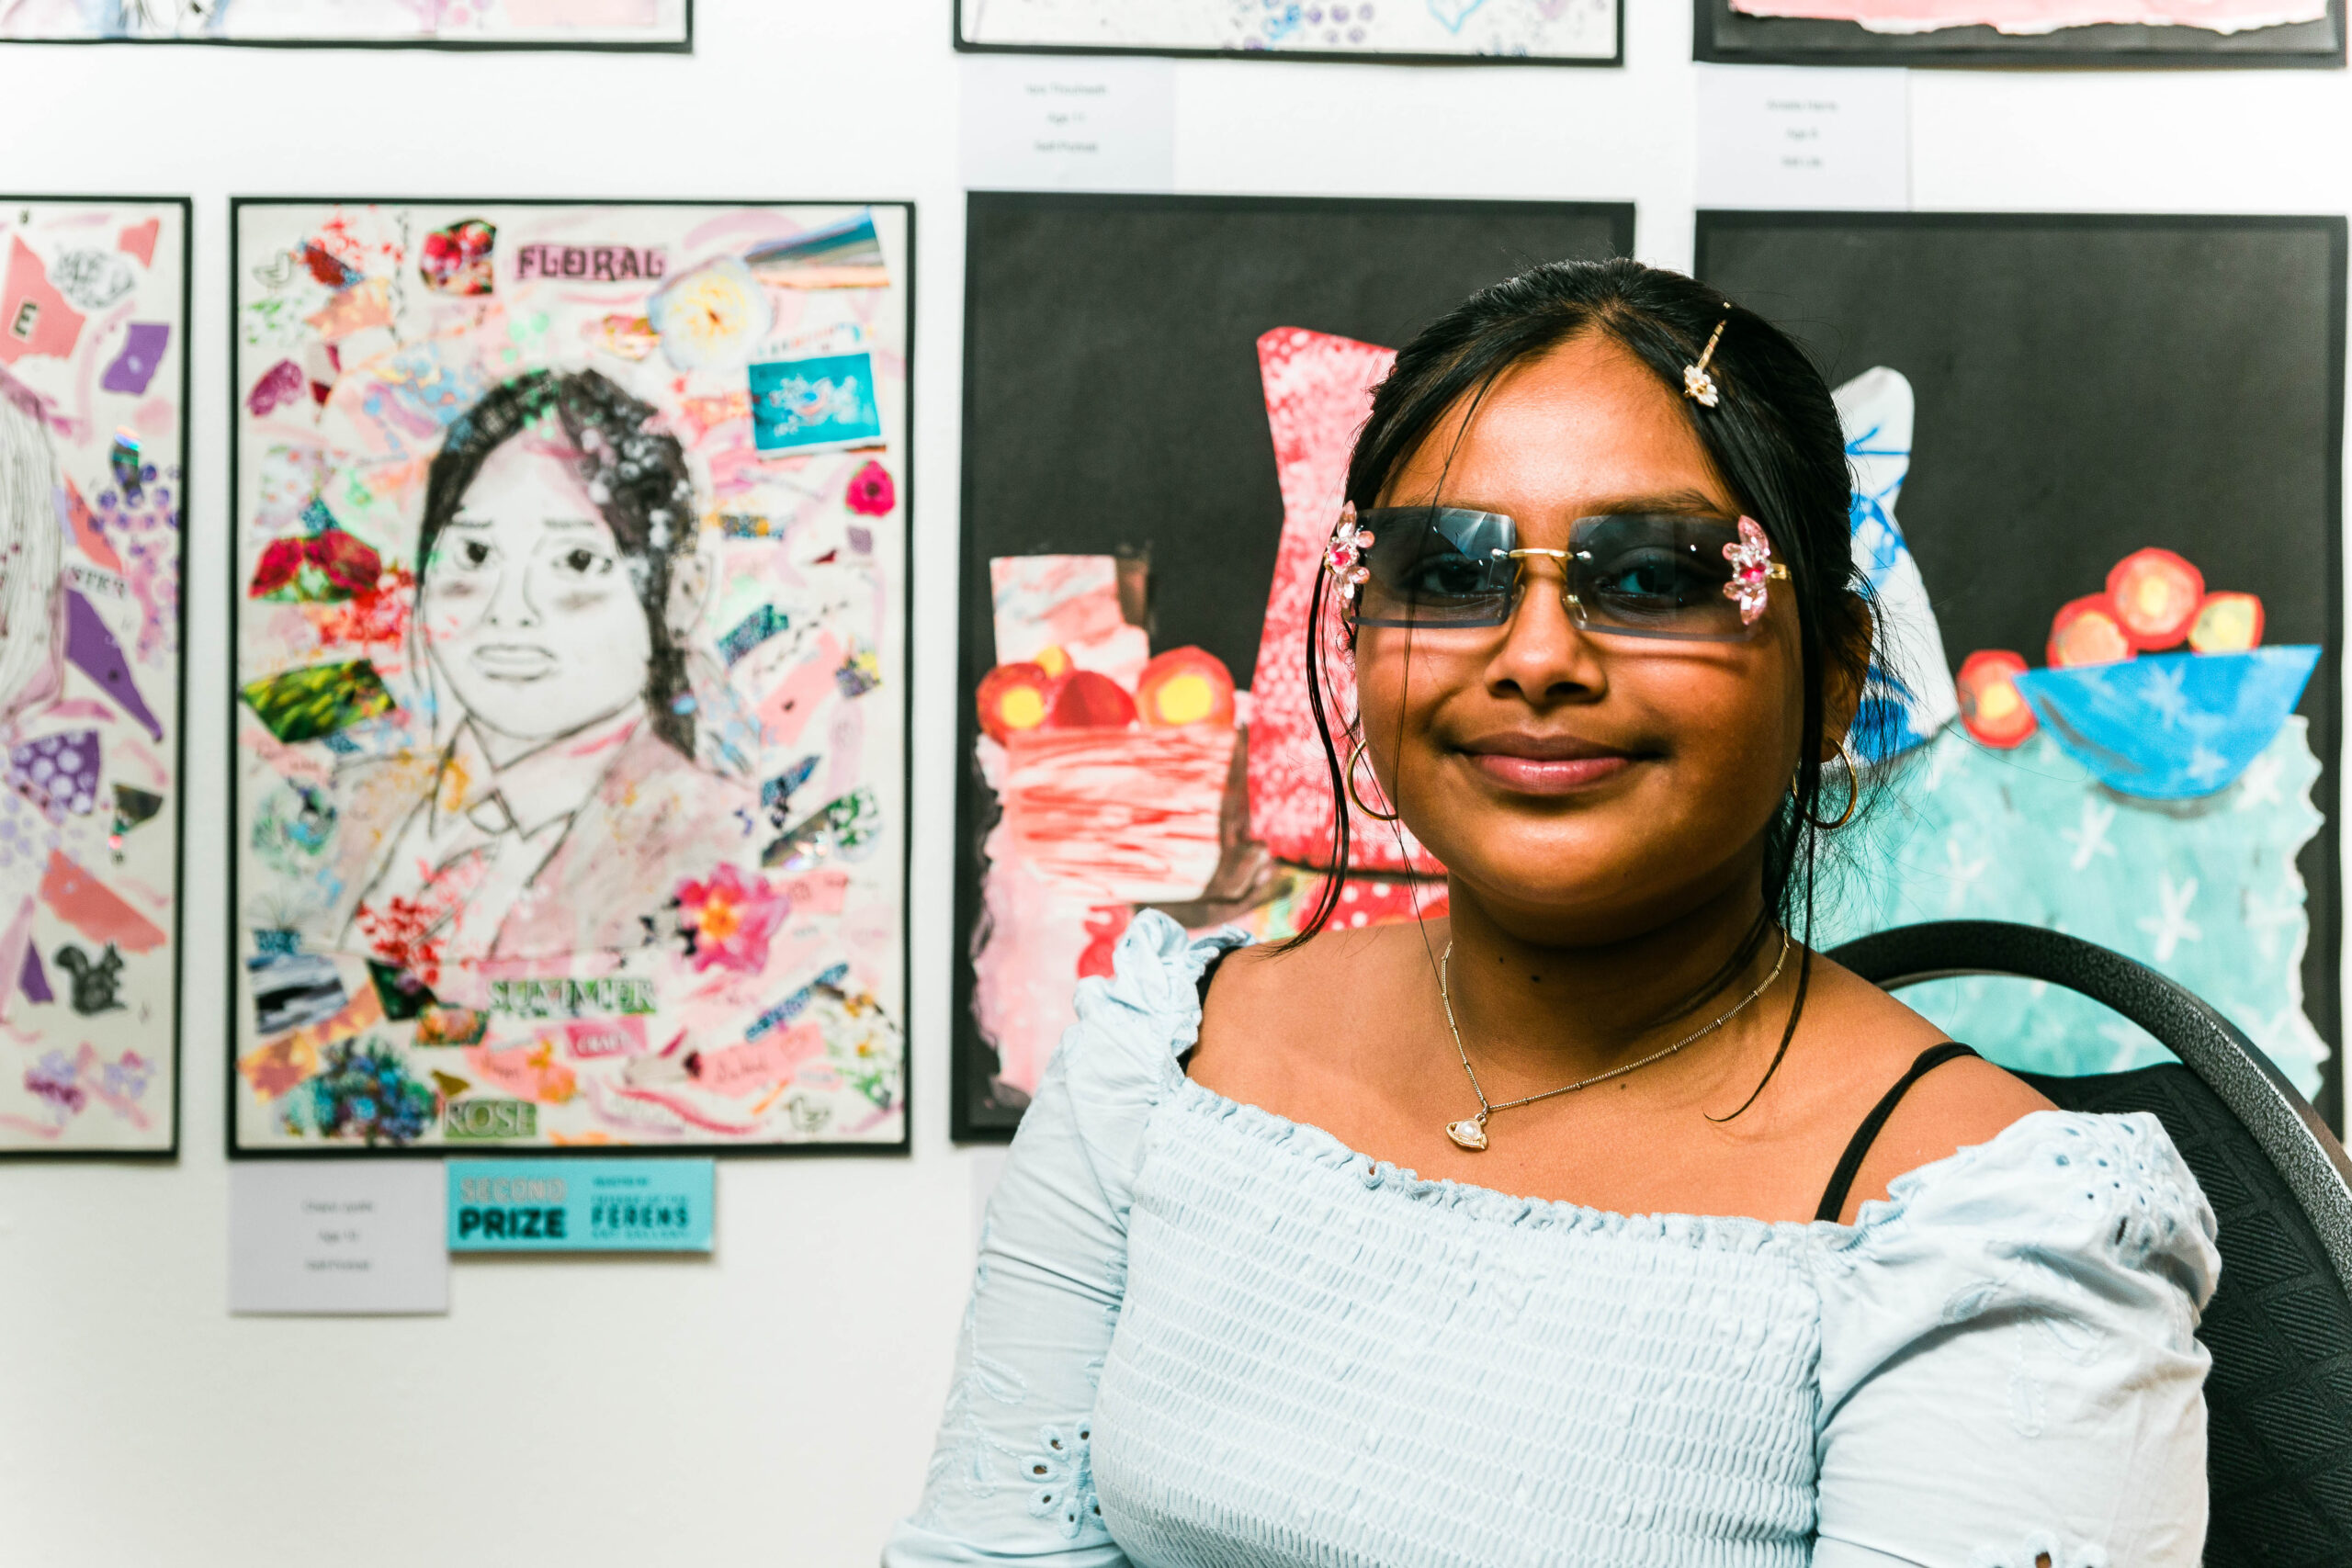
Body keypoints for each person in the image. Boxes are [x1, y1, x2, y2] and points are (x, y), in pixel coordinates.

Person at [888, 260, 2217, 1566]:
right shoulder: (1162, 1057)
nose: (1535, 657)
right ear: (1353, 635)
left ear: (1830, 678)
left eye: (1652, 577)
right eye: (1449, 571)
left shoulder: (1997, 1228)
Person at [328, 367, 753, 964]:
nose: (509, 613)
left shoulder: (713, 845)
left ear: (682, 590)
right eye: (474, 553)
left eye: (576, 561)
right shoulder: (345, 807)